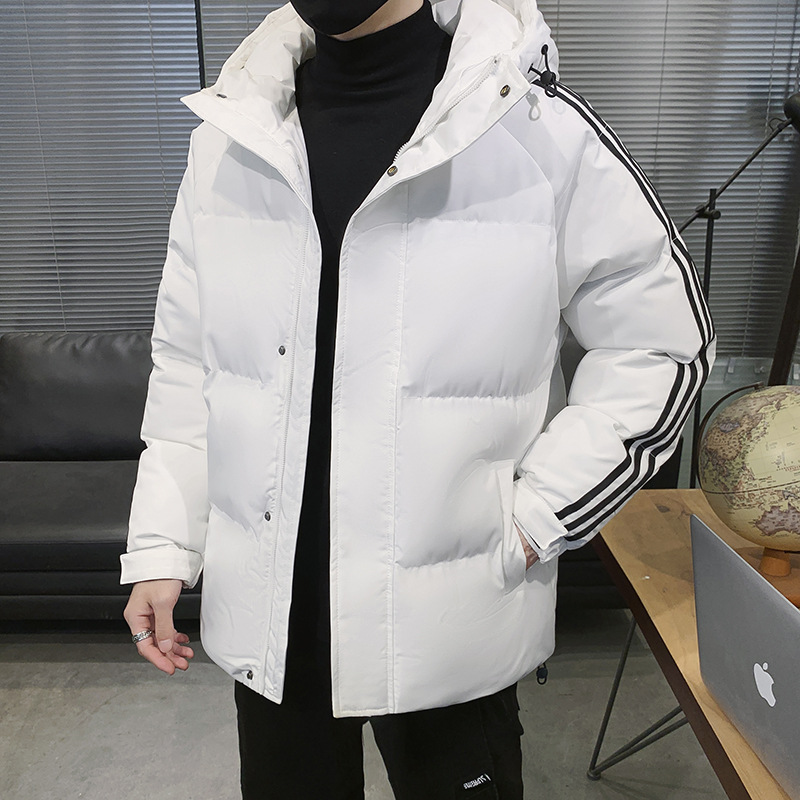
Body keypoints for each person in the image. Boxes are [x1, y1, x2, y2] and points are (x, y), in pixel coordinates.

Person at [121, 0, 716, 796]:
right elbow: (190, 364)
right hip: (272, 617)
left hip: (449, 617)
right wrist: (164, 546)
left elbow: (661, 346)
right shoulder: (230, 138)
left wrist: (539, 515)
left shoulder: (534, 130)